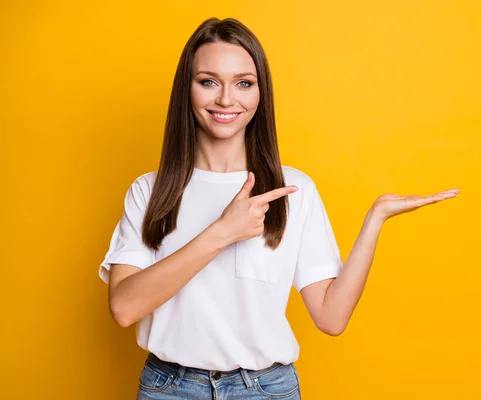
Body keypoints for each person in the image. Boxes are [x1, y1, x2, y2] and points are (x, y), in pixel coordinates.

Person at [98, 17, 459, 400]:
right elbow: (124, 308)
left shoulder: (294, 189)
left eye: (243, 83)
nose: (225, 99)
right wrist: (222, 232)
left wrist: (375, 219)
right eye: (208, 81)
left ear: (260, 93)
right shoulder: (151, 190)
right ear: (186, 90)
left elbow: (331, 318)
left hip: (265, 389)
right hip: (170, 388)